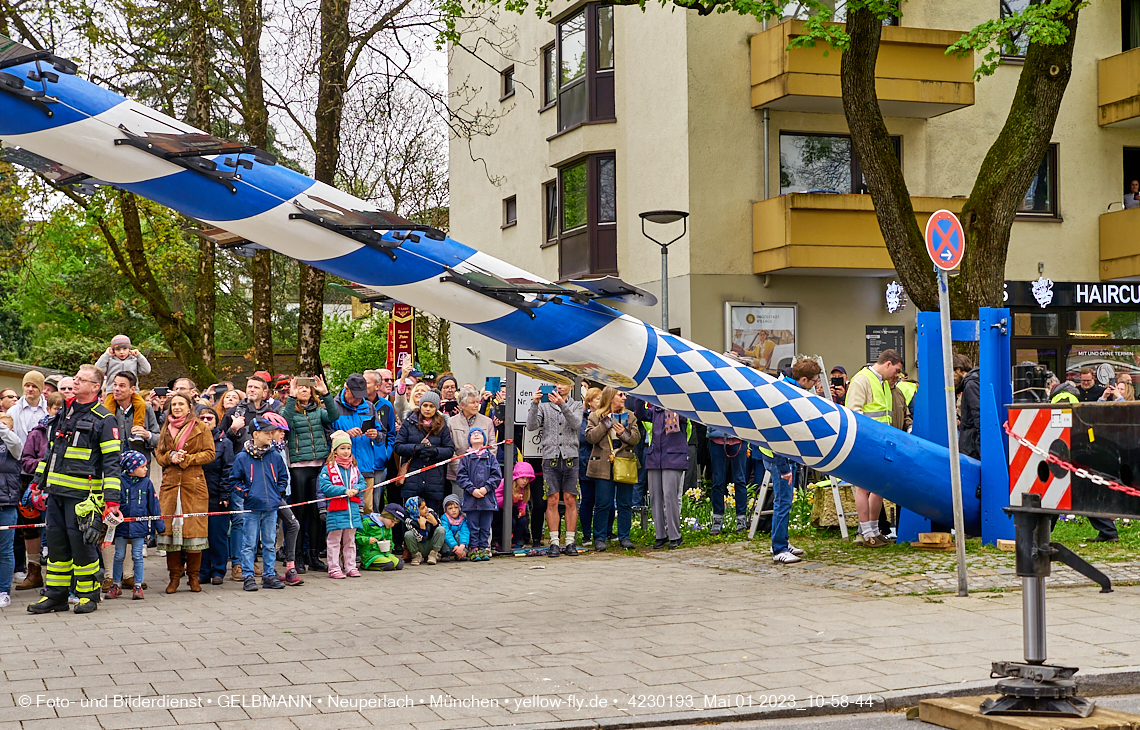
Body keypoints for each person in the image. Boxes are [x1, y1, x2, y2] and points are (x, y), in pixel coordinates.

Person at [26, 364, 121, 615]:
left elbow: (112, 462)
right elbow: (51, 452)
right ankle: (56, 596)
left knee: (82, 545)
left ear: (95, 387)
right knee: (56, 548)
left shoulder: (104, 418)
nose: (75, 383)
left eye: (81, 380)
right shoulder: (64, 413)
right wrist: (38, 481)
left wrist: (112, 501)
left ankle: (88, 595)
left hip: (83, 496)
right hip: (56, 493)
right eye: (75, 379)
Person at [764, 360, 824, 565]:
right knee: (783, 501)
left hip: (783, 454)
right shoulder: (787, 395)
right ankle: (778, 548)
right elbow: (778, 432)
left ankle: (781, 542)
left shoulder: (787, 387)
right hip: (779, 455)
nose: (816, 385)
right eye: (814, 381)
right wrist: (783, 467)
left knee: (785, 500)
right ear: (804, 379)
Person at [155, 392, 215, 592]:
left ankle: (194, 578)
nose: (177, 407)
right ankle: (174, 578)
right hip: (171, 485)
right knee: (170, 533)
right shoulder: (166, 427)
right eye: (174, 404)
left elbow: (210, 453)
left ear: (190, 407)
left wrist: (187, 459)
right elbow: (159, 454)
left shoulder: (201, 427)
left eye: (181, 404)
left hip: (193, 484)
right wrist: (171, 457)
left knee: (194, 533)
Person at [845, 349, 904, 548]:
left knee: (877, 488)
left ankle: (874, 530)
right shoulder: (862, 380)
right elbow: (854, 413)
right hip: (867, 443)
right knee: (864, 488)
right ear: (888, 363)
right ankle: (866, 532)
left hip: (880, 443)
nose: (897, 374)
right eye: (896, 369)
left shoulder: (883, 383)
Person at [282, 376, 339, 571]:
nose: (304, 391)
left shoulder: (318, 411)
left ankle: (313, 555)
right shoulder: (290, 410)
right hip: (299, 468)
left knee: (316, 513)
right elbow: (284, 422)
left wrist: (326, 393)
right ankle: (296, 557)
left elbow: (334, 416)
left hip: (319, 466)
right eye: (300, 388)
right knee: (299, 512)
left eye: (307, 388)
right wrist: (291, 397)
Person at [231, 415, 289, 591]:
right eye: (267, 432)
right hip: (251, 507)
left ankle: (269, 574)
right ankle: (248, 575)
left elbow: (283, 477)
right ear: (255, 434)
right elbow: (234, 481)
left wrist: (276, 493)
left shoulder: (275, 456)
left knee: (270, 542)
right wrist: (247, 494)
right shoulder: (242, 457)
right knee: (249, 543)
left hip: (271, 506)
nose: (271, 435)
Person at [526, 382, 583, 557]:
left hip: (570, 456)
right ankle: (554, 542)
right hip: (550, 456)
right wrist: (534, 404)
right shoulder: (544, 405)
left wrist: (562, 404)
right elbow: (531, 425)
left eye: (563, 383)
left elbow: (576, 424)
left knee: (570, 499)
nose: (559, 386)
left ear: (571, 386)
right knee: (551, 500)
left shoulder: (577, 404)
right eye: (556, 383)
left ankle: (571, 541)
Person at [585, 387, 641, 552]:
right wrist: (605, 424)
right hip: (603, 464)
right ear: (610, 398)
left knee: (625, 503)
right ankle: (600, 538)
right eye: (620, 395)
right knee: (603, 503)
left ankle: (625, 537)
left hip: (624, 463)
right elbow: (590, 437)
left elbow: (636, 438)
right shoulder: (595, 416)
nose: (624, 398)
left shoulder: (630, 416)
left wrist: (624, 433)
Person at [107, 450, 164, 600]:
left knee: (137, 555)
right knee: (119, 555)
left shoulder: (147, 483)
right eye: (143, 466)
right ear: (132, 468)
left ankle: (137, 586)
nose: (146, 469)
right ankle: (116, 584)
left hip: (139, 527)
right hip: (121, 526)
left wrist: (159, 524)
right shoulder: (119, 481)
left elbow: (154, 505)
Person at [332, 373, 391, 514]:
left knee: (367, 509)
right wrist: (345, 434)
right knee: (346, 510)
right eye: (355, 396)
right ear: (346, 390)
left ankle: (366, 537)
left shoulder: (369, 407)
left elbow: (383, 435)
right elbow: (328, 435)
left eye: (361, 396)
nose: (358, 400)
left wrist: (376, 435)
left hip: (365, 466)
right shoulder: (333, 407)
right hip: (342, 468)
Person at [634, 398, 688, 551]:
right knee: (655, 497)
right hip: (655, 458)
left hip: (673, 457)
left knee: (670, 496)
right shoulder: (655, 410)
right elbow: (640, 414)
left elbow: (685, 419)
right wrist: (640, 397)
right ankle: (660, 535)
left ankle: (675, 535)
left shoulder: (681, 407)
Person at [393, 391, 454, 515]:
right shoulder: (409, 422)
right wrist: (416, 449)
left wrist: (435, 451)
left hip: (434, 479)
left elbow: (449, 450)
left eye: (431, 406)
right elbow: (398, 446)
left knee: (431, 517)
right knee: (411, 517)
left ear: (436, 408)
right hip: (412, 477)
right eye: (425, 405)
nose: (427, 409)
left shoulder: (442, 425)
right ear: (420, 405)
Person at [319, 430, 365, 579]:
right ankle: (334, 568)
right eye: (342, 448)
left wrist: (356, 489)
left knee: (350, 541)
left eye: (348, 448)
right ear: (335, 450)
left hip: (352, 510)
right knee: (334, 541)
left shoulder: (354, 468)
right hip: (336, 510)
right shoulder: (328, 469)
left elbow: (362, 483)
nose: (346, 452)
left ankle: (350, 566)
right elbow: (325, 487)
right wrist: (344, 490)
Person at [457, 427, 500, 561]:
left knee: (486, 526)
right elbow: (461, 476)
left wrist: (486, 488)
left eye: (479, 434)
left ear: (484, 439)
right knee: (473, 525)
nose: (476, 435)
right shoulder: (466, 458)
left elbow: (496, 476)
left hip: (487, 500)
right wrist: (472, 489)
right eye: (473, 434)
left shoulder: (490, 458)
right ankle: (474, 548)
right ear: (469, 440)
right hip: (471, 500)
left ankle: (484, 547)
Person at [446, 387, 495, 498]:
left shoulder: (487, 422)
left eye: (477, 402)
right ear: (462, 405)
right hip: (458, 475)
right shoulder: (451, 422)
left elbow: (493, 447)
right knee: (459, 510)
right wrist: (463, 470)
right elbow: (449, 449)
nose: (476, 405)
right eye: (472, 402)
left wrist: (484, 470)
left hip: (483, 477)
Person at [104, 372, 161, 462]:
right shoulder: (105, 410)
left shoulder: (146, 409)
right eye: (115, 385)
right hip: (113, 466)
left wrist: (147, 435)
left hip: (140, 468)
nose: (116, 389)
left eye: (122, 386)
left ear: (132, 389)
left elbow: (159, 439)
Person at [706, 421, 747, 536]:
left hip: (739, 437)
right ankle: (717, 520)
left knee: (740, 480)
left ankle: (741, 520)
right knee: (717, 480)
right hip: (716, 438)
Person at [0, 412, 21, 607]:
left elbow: (15, 444)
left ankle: (3, 591)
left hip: (6, 504)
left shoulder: (14, 447)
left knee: (5, 551)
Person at [578, 387, 602, 548]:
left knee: (604, 499)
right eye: (598, 399)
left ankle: (604, 532)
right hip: (586, 461)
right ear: (589, 401)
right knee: (587, 499)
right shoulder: (582, 417)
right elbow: (585, 437)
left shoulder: (606, 416)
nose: (601, 402)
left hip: (603, 462)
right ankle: (587, 533)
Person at [356, 506, 404, 571]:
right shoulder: (366, 522)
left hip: (384, 553)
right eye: (392, 521)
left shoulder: (387, 526)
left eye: (394, 524)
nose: (392, 525)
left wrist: (389, 545)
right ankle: (365, 565)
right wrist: (367, 540)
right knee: (389, 565)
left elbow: (390, 539)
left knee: (400, 564)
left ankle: (383, 562)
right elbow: (357, 537)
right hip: (370, 554)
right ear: (386, 516)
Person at [952, 355, 980, 460]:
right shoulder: (973, 382)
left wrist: (980, 447)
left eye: (953, 373)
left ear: (958, 370)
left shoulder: (970, 385)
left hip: (972, 446)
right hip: (972, 444)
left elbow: (978, 414)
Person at [402, 495, 444, 565]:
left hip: (431, 544)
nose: (426, 509)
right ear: (414, 510)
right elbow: (421, 539)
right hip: (419, 545)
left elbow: (440, 533)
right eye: (422, 508)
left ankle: (434, 554)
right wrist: (422, 527)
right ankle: (416, 556)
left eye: (425, 506)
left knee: (441, 529)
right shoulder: (410, 520)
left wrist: (434, 523)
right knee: (408, 534)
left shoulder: (432, 513)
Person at [10, 370, 47, 442]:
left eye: (34, 386)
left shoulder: (48, 410)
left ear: (41, 389)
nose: (30, 389)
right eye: (27, 385)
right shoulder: (13, 411)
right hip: (19, 452)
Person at [440, 494, 470, 561]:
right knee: (444, 533)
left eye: (456, 507)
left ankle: (460, 554)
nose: (454, 510)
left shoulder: (463, 519)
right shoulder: (444, 519)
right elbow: (447, 534)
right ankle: (445, 554)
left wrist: (462, 546)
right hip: (449, 545)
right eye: (450, 508)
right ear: (445, 510)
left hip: (460, 547)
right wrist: (455, 546)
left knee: (460, 533)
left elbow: (465, 532)